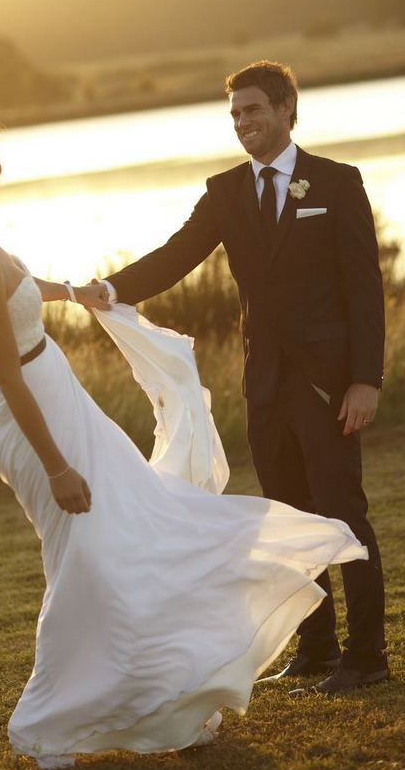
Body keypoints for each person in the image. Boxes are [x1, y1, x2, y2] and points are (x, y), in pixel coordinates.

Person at [0, 111, 368, 770]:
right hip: (33, 413)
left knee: (132, 532)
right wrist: (58, 467)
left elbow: (23, 287)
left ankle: (159, 699)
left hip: (59, 396)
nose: (1, 164)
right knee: (87, 553)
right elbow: (7, 378)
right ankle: (51, 714)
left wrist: (83, 293)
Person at [88, 61, 389, 696]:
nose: (242, 123)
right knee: (287, 520)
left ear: (287, 109)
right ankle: (315, 650)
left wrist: (366, 380)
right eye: (234, 115)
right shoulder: (225, 193)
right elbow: (175, 256)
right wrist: (109, 288)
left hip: (329, 386)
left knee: (344, 515)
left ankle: (367, 658)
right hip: (266, 387)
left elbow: (365, 290)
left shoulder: (337, 183)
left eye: (252, 110)